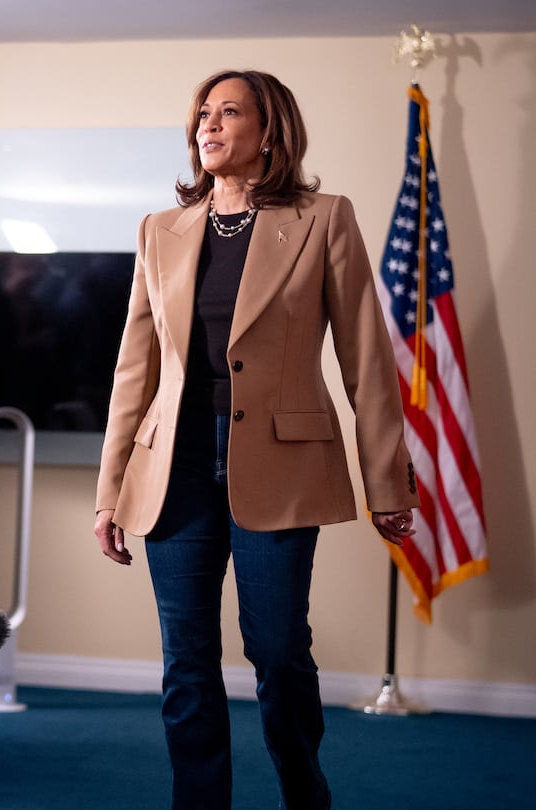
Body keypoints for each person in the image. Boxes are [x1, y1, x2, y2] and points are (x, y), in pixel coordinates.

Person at [91, 70, 420, 810]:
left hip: (283, 464)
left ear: (269, 130)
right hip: (171, 466)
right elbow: (134, 370)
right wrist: (109, 492)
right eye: (202, 114)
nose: (207, 126)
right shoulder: (159, 231)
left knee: (277, 651)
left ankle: (304, 789)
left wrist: (387, 487)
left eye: (228, 112)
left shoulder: (324, 218)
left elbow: (367, 362)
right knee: (187, 664)